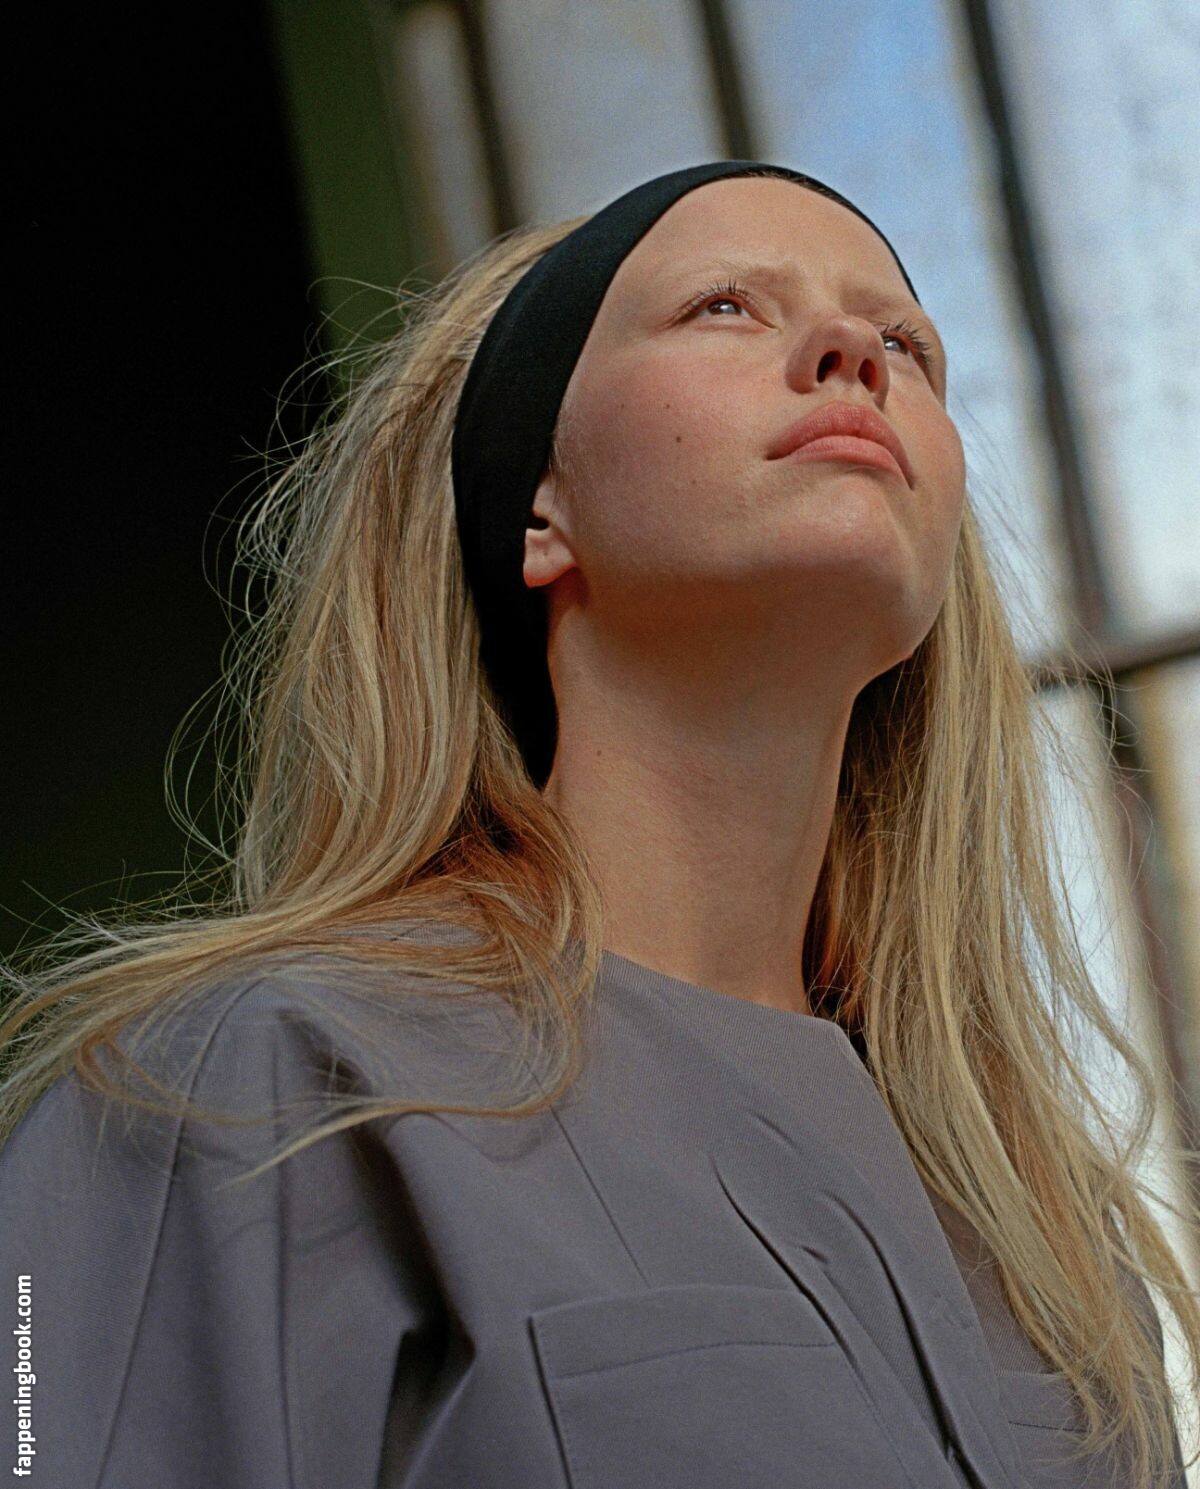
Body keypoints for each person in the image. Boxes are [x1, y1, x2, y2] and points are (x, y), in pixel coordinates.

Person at [0, 160, 1194, 1489]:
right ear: (540, 507)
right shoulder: (258, 1080)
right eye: (726, 304)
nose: (854, 353)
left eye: (907, 345)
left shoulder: (1051, 1245)